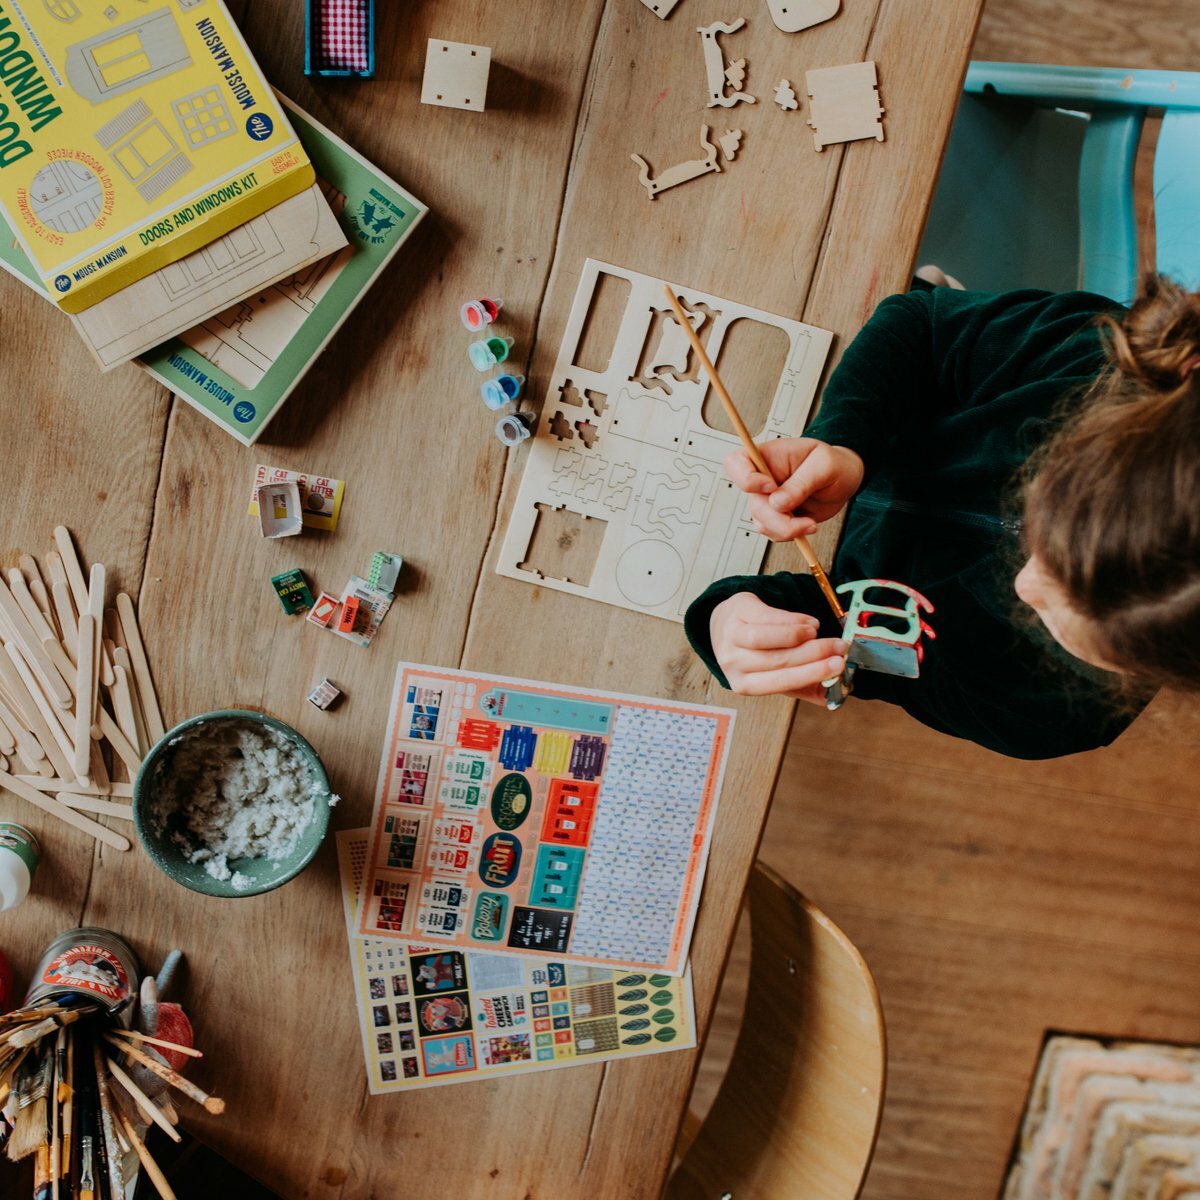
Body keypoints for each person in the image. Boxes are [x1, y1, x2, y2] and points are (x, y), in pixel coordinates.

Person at [684, 274, 1200, 759]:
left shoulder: (1043, 711)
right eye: (1043, 522)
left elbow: (838, 639)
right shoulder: (1113, 372)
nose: (1025, 589)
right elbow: (921, 325)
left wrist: (726, 623)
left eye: (1071, 626)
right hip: (851, 366)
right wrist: (843, 442)